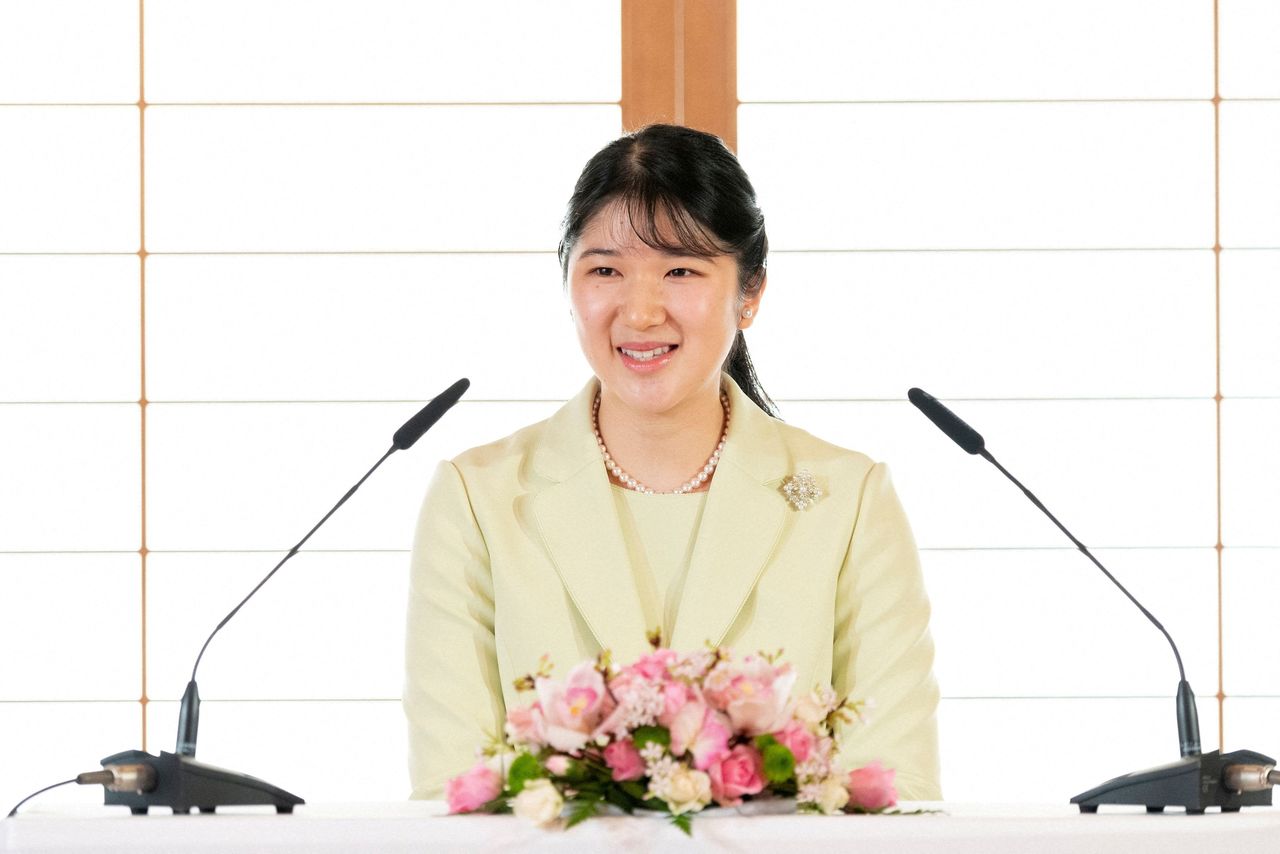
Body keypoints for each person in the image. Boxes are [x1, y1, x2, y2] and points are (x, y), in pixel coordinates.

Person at [404, 124, 941, 801]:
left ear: (749, 293)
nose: (641, 309)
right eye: (605, 270)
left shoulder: (849, 498)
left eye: (680, 270)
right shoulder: (478, 499)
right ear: (568, 286)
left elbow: (896, 788)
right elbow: (455, 791)